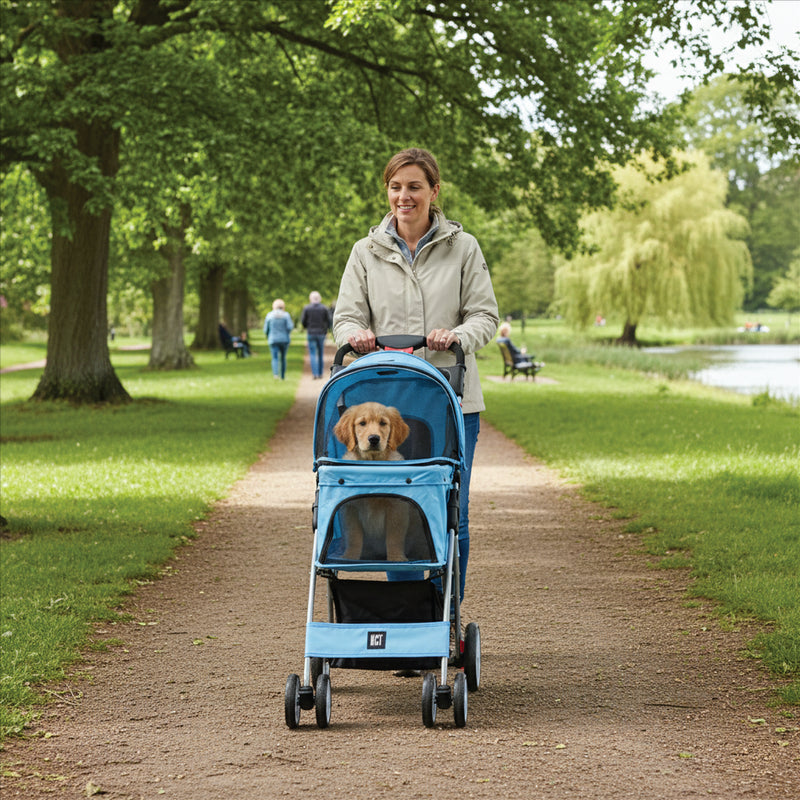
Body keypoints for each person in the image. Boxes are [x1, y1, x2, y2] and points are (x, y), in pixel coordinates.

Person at [333, 147, 499, 604]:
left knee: (451, 513)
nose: (404, 196)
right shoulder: (365, 252)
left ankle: (446, 615)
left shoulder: (462, 247)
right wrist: (358, 333)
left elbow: (484, 315)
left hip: (450, 399)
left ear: (433, 191)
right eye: (395, 187)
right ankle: (408, 614)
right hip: (386, 396)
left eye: (414, 187)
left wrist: (457, 336)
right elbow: (345, 318)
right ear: (387, 191)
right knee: (396, 506)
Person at [300, 291, 331, 379]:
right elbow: (329, 321)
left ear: (310, 299)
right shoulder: (324, 308)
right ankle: (320, 373)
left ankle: (315, 374)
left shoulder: (307, 308)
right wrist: (327, 329)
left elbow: (303, 321)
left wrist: (307, 327)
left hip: (311, 333)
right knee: (321, 353)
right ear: (320, 299)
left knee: (312, 354)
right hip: (321, 333)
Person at [263, 299, 293, 380]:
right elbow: (290, 327)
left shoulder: (269, 315)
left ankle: (276, 374)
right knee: (283, 358)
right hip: (284, 340)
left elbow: (266, 329)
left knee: (275, 357)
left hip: (273, 339)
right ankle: (282, 376)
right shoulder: (286, 315)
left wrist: (268, 335)